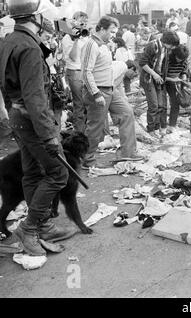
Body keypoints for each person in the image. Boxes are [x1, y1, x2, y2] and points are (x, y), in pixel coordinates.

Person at [0, 0, 72, 256]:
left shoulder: (9, 40)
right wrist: (49, 135)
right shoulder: (29, 47)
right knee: (58, 174)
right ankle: (29, 228)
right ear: (36, 18)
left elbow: (8, 90)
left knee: (32, 173)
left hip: (19, 119)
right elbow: (35, 98)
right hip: (33, 122)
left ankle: (42, 225)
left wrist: (13, 114)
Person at [81, 16, 142, 168]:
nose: (113, 35)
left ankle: (127, 152)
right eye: (111, 31)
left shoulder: (104, 45)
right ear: (101, 29)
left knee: (127, 112)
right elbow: (86, 72)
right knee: (96, 126)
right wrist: (95, 94)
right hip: (98, 91)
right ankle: (87, 160)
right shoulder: (91, 44)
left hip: (110, 89)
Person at [139, 30, 180, 140]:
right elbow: (142, 63)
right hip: (148, 78)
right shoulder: (153, 46)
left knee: (161, 105)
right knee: (153, 105)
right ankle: (151, 129)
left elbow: (163, 66)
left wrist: (161, 77)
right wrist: (155, 75)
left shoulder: (165, 49)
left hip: (158, 79)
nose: (172, 48)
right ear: (167, 42)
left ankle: (157, 128)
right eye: (172, 45)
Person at [61, 11, 89, 133]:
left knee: (88, 103)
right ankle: (79, 133)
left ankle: (88, 131)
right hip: (75, 72)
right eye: (81, 23)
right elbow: (73, 57)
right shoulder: (67, 38)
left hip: (86, 71)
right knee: (79, 104)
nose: (83, 25)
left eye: (85, 23)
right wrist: (76, 40)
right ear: (74, 21)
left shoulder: (86, 36)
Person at [165, 45, 189, 133]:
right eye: (178, 58)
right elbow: (160, 75)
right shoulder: (167, 59)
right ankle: (161, 125)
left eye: (181, 59)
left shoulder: (183, 60)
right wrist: (171, 79)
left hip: (174, 82)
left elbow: (184, 71)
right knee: (162, 104)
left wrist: (184, 76)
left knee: (175, 103)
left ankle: (171, 125)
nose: (179, 60)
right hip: (162, 81)